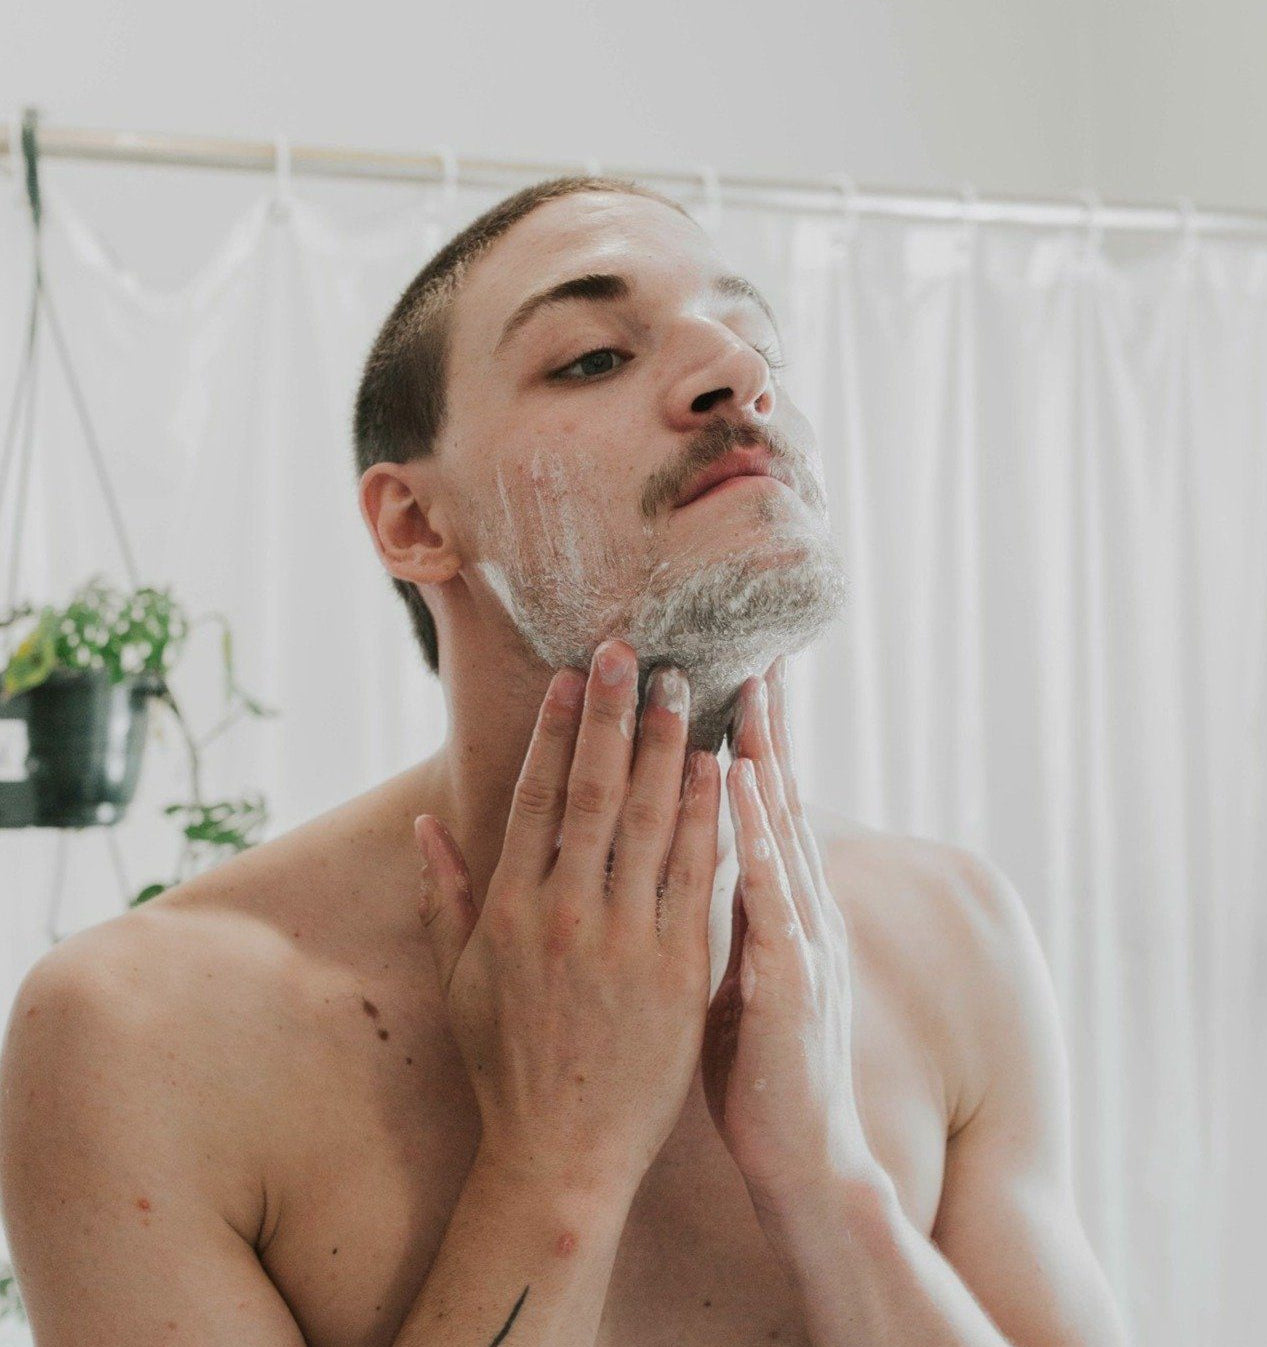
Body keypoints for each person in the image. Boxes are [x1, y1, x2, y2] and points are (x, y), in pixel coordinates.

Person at [0, 174, 1130, 1346]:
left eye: (756, 343)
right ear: (415, 525)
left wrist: (832, 1185)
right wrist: (556, 1172)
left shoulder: (955, 937)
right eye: (592, 358)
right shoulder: (145, 1033)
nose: (737, 375)